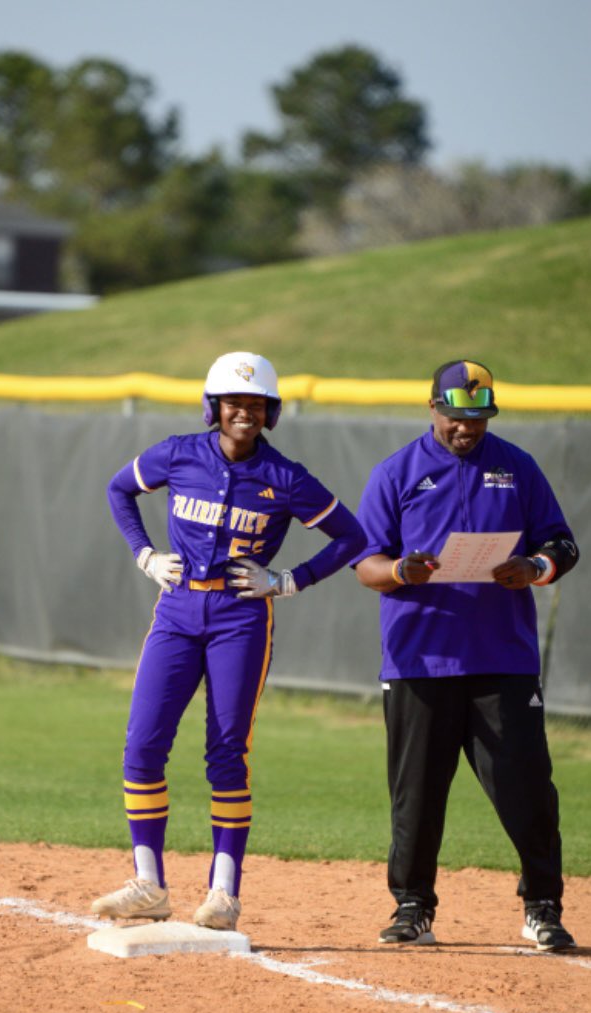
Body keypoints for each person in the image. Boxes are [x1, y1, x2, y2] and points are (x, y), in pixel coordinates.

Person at [93, 351, 367, 930]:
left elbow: (352, 536)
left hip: (241, 618)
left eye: (256, 404)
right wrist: (144, 555)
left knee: (225, 752)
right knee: (142, 744)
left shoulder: (286, 478)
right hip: (177, 608)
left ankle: (223, 894)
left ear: (271, 412)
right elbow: (119, 491)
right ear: (213, 407)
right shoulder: (178, 453)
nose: (244, 412)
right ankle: (148, 884)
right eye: (234, 403)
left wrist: (289, 580)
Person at [353, 359, 579, 952]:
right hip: (418, 660)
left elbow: (562, 543)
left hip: (501, 657)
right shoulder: (396, 472)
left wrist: (534, 567)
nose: (466, 429)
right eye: (457, 417)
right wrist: (402, 570)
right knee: (418, 793)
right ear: (433, 409)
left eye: (478, 418)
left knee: (526, 785)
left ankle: (543, 906)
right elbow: (366, 564)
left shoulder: (517, 467)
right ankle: (412, 906)